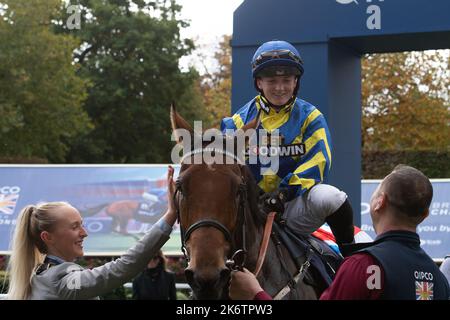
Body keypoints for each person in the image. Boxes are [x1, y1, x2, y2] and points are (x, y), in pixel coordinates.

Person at [229, 165, 450, 300]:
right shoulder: (440, 280)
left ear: (379, 203)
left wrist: (255, 294)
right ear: (425, 215)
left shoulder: (362, 266)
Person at [221, 39, 354, 249]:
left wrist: (284, 193)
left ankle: (350, 258)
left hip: (292, 205)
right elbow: (224, 170)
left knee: (332, 197)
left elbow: (319, 162)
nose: (280, 88)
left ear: (296, 82)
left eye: (286, 80)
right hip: (250, 211)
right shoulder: (237, 122)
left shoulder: (311, 117)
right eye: (271, 81)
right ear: (259, 83)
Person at [6, 166, 177, 300]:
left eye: (82, 225)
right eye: (74, 227)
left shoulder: (39, 275)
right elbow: (123, 267)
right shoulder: (58, 279)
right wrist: (170, 216)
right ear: (47, 237)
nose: (84, 233)